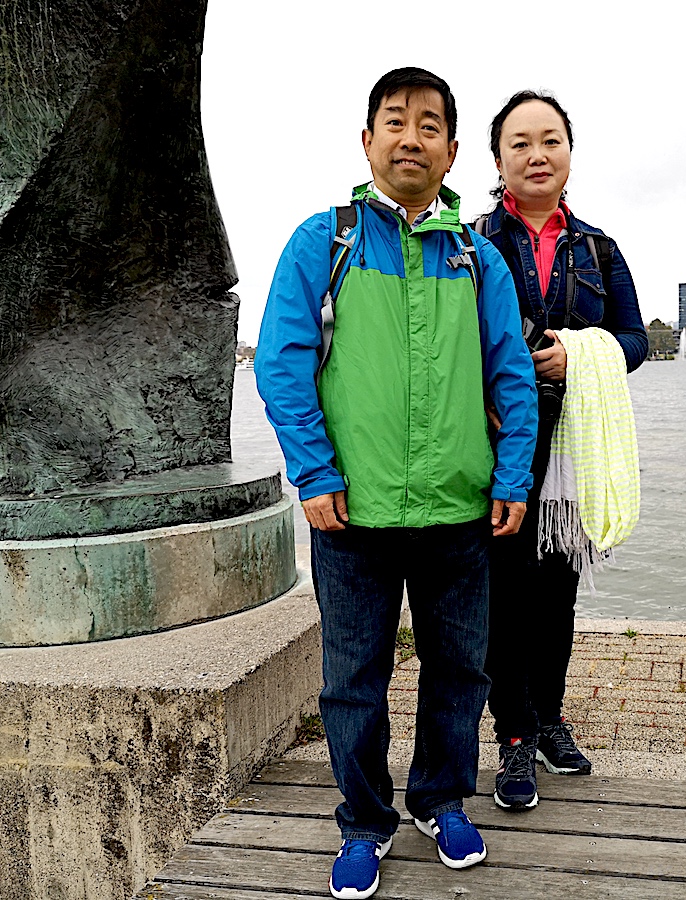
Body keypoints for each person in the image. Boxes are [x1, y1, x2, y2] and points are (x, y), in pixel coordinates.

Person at [255, 68, 538, 900]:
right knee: (353, 678)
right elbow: (282, 364)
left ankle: (440, 799)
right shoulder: (325, 241)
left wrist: (512, 473)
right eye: (394, 122)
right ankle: (365, 822)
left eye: (428, 126)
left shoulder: (476, 257)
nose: (410, 138)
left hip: (459, 508)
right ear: (367, 140)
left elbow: (510, 374)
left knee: (461, 671)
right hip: (352, 512)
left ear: (452, 151)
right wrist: (312, 471)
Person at [475, 90, 647, 812]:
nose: (537, 154)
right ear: (497, 159)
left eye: (550, 140)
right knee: (501, 597)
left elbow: (636, 342)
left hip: (574, 442)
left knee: (556, 594)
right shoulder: (472, 241)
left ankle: (549, 717)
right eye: (521, 142)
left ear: (570, 153)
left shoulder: (600, 249)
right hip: (492, 443)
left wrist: (580, 355)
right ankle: (513, 735)